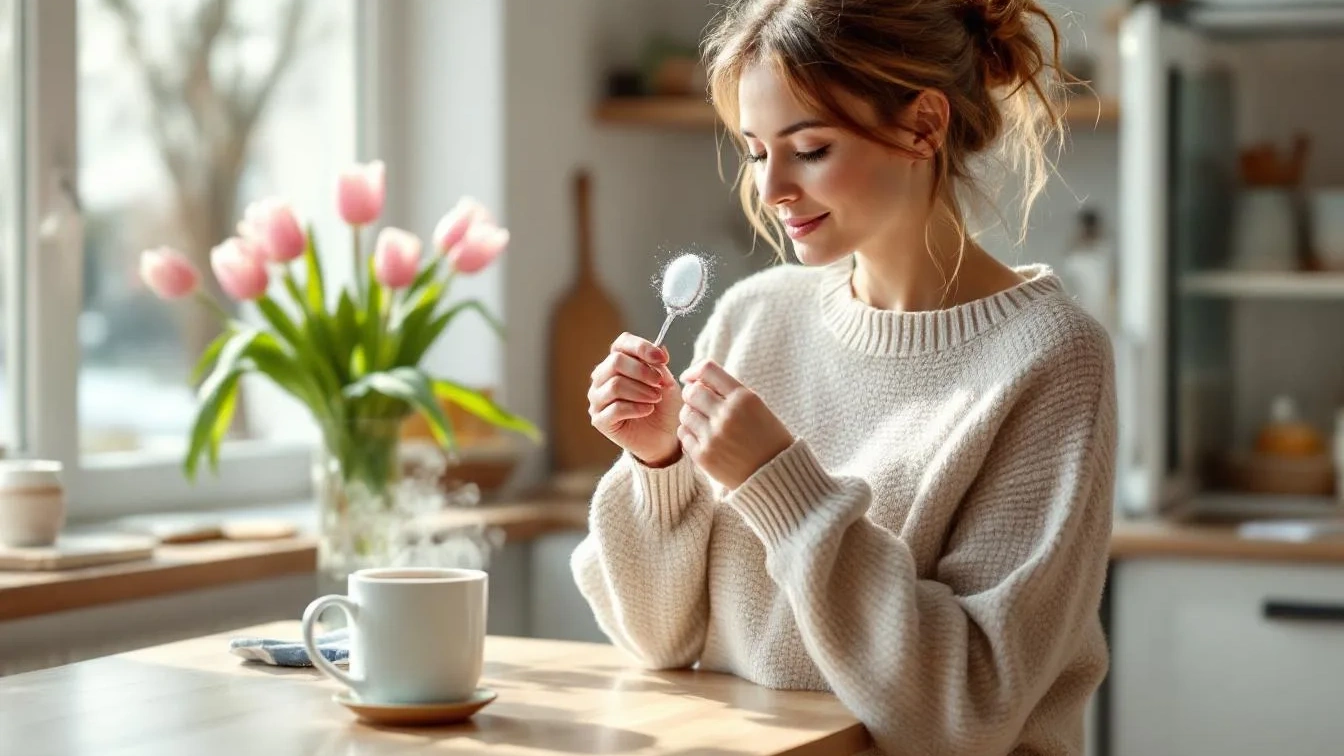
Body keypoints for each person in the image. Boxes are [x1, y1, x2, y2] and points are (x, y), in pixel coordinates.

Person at [570, 0, 1115, 753]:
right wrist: (658, 463)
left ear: (924, 125)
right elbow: (659, 641)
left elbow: (968, 711)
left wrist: (779, 484)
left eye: (811, 148)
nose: (771, 191)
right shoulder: (753, 317)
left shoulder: (1051, 356)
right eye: (758, 152)